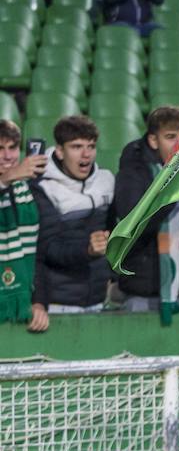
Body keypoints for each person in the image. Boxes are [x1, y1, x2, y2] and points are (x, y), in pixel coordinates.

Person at [111, 107, 179, 318]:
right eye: (170, 137)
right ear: (153, 141)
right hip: (144, 293)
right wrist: (171, 194)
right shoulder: (133, 174)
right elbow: (133, 227)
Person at [32, 115, 113, 314]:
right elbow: (48, 249)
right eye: (76, 147)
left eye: (91, 146)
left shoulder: (107, 181)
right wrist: (88, 250)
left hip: (98, 300)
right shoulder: (42, 187)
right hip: (58, 304)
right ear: (60, 151)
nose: (86, 154)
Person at [0, 119, 48, 333]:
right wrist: (6, 180)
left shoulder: (31, 192)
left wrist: (38, 301)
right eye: (0, 149)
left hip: (22, 307)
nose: (8, 156)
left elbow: (40, 253)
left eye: (12, 148)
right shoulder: (12, 180)